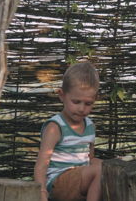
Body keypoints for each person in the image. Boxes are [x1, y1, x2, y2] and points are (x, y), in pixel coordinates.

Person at [34, 62, 102, 201]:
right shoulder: (55, 127)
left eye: (88, 103)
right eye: (76, 102)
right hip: (58, 183)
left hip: (79, 181)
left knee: (104, 167)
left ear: (95, 100)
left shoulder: (90, 126)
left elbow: (89, 160)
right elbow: (41, 165)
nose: (82, 108)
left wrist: (110, 164)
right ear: (62, 95)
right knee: (99, 170)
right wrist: (41, 192)